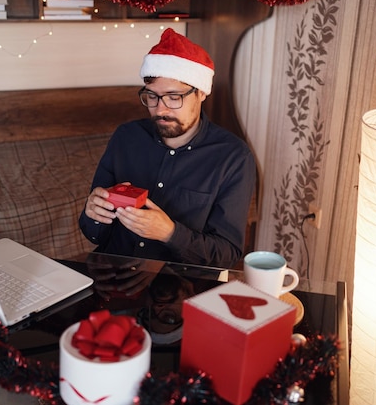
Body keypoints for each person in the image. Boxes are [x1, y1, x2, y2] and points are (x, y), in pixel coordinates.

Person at [79, 28, 256, 269]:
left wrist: (170, 234)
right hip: (113, 276)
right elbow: (93, 234)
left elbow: (227, 254)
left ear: (201, 92)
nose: (160, 109)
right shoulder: (126, 137)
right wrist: (92, 214)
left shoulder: (233, 157)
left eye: (174, 97)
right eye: (152, 96)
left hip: (181, 287)